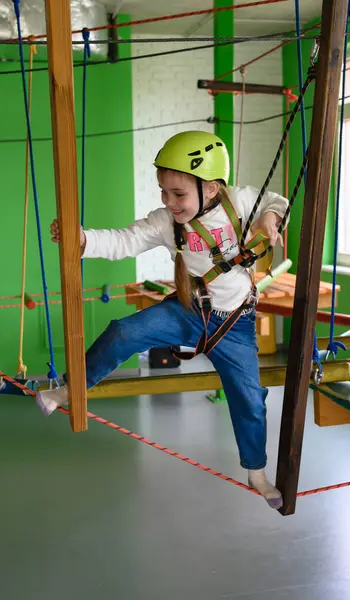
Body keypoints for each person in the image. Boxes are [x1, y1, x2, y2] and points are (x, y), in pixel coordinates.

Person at [36, 130, 289, 509]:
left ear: (213, 187)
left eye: (179, 194)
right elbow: (125, 240)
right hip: (188, 311)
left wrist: (269, 218)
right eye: (163, 192)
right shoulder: (166, 222)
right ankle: (71, 390)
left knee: (249, 398)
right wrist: (83, 239)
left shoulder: (240, 201)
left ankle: (256, 472)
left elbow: (277, 199)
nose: (170, 202)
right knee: (124, 331)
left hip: (234, 324)